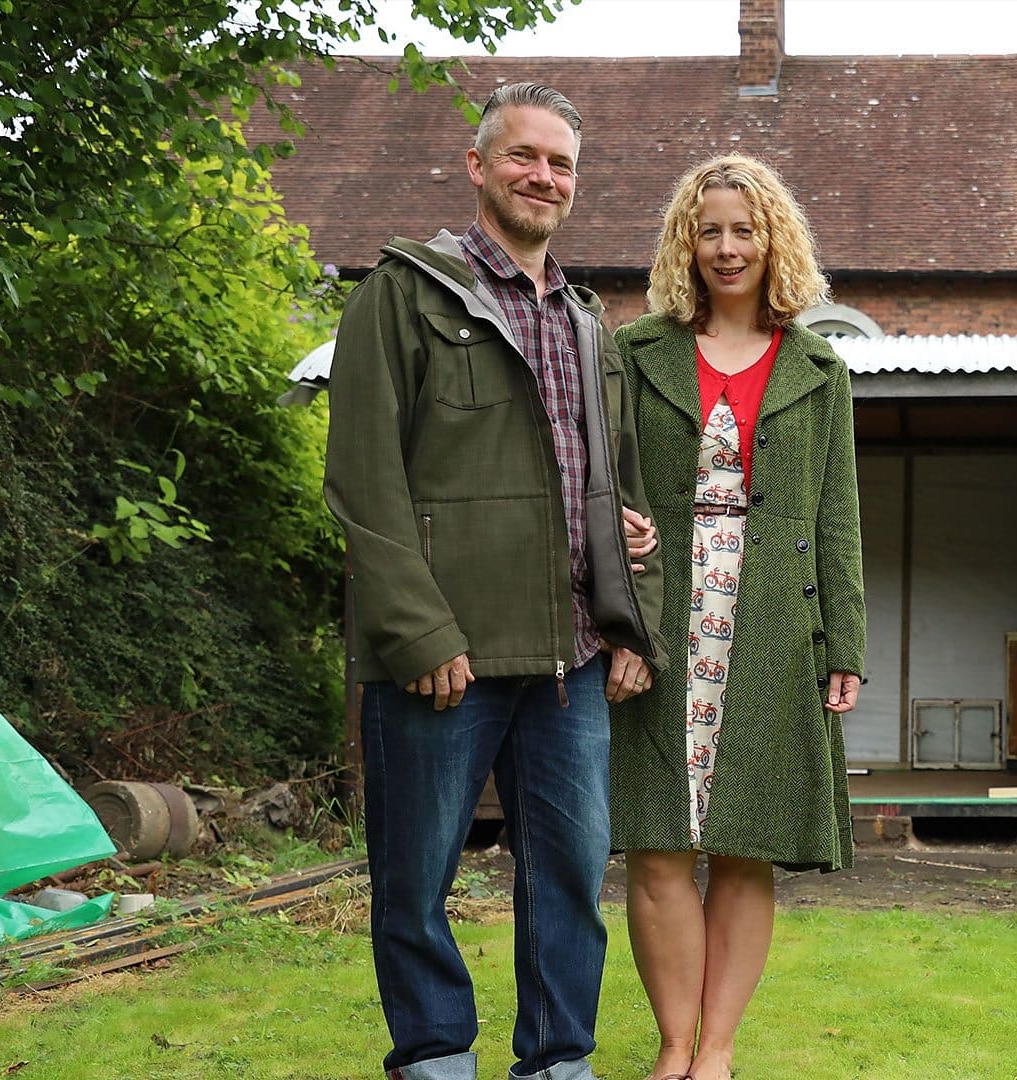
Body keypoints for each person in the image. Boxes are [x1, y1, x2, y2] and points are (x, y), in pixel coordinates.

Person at [324, 82, 668, 1080]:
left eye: (561, 164)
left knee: (566, 878)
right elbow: (362, 479)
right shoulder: (404, 293)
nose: (544, 178)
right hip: (449, 659)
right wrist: (418, 633)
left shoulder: (587, 319)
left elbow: (615, 478)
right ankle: (434, 1058)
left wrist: (631, 616)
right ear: (478, 166)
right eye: (525, 157)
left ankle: (559, 1061)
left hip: (572, 660)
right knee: (416, 876)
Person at [608, 154, 864, 1080]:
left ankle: (716, 1052)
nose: (726, 248)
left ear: (773, 242)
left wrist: (848, 643)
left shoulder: (818, 369)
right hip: (661, 618)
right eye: (709, 229)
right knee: (658, 846)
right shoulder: (633, 356)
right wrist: (617, 608)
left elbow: (838, 515)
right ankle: (673, 1045)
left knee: (747, 845)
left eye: (744, 230)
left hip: (771, 625)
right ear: (687, 240)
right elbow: (602, 491)